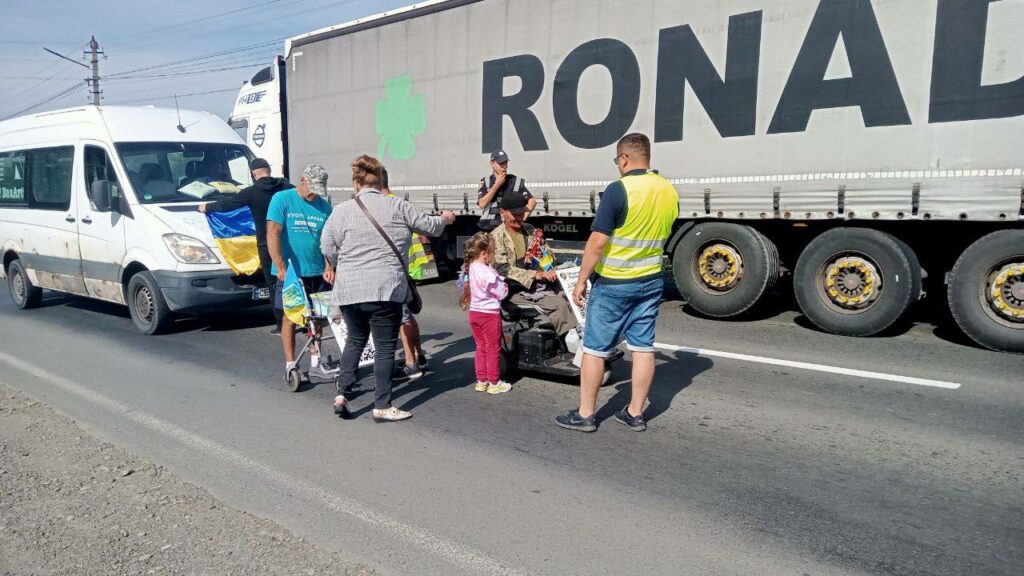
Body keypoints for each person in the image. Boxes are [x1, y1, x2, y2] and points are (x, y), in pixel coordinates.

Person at [556, 133, 679, 433]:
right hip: (650, 281)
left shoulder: (618, 190)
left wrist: (581, 281)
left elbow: (597, 242)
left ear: (624, 158)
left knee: (595, 349)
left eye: (617, 160)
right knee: (643, 347)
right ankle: (635, 413)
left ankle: (586, 414)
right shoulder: (668, 190)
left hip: (614, 283)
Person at [321, 155, 455, 422]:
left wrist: (341, 264)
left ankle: (342, 394)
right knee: (384, 348)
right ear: (381, 180)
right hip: (385, 289)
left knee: (354, 341)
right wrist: (446, 218)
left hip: (349, 291)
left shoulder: (341, 211)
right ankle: (382, 405)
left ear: (357, 182)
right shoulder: (397, 206)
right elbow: (431, 226)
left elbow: (327, 246)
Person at [199, 158, 290, 334]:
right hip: (289, 242)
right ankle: (301, 318)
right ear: (269, 170)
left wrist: (207, 207)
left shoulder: (251, 192)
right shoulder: (287, 187)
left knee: (275, 285)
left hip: (267, 245)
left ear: (253, 174)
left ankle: (282, 324)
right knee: (294, 281)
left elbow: (227, 205)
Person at [267, 164, 335, 381]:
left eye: (319, 189)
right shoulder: (282, 199)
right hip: (291, 274)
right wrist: (279, 266)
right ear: (302, 180)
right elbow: (273, 232)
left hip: (318, 271)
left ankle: (316, 362)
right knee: (290, 318)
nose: (314, 193)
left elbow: (328, 241)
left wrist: (329, 265)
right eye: (311, 188)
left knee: (318, 318)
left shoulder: (325, 207)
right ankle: (290, 364)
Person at [491, 192, 578, 340]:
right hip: (515, 289)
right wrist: (536, 275)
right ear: (502, 212)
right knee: (558, 304)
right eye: (515, 214)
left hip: (540, 284)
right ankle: (573, 341)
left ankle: (577, 334)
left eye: (522, 213)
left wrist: (549, 262)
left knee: (574, 297)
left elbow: (548, 254)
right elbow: (501, 269)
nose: (519, 217)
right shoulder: (496, 237)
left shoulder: (530, 229)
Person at [381, 167, 429, 381]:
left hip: (399, 270)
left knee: (401, 318)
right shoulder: (399, 203)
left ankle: (410, 363)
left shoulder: (386, 206)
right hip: (410, 267)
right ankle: (418, 355)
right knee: (406, 315)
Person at [460, 232, 511, 395]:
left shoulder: (471, 268)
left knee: (481, 347)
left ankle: (481, 381)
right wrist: (506, 286)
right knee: (493, 348)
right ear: (484, 254)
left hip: (474, 313)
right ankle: (494, 382)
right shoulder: (487, 272)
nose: (494, 254)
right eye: (493, 251)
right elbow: (501, 293)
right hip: (489, 314)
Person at [477, 149, 536, 231]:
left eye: (505, 162)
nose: (504, 166)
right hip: (489, 229)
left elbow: (532, 201)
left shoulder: (515, 181)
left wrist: (521, 219)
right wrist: (497, 185)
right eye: (500, 163)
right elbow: (482, 204)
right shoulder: (486, 181)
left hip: (509, 229)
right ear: (492, 163)